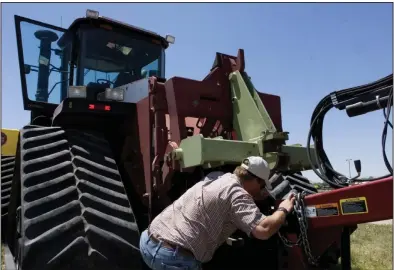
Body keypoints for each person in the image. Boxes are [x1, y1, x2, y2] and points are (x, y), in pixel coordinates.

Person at [139, 156, 296, 270]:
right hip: (173, 260)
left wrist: (258, 196)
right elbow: (263, 230)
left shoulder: (217, 176)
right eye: (262, 185)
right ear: (256, 180)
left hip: (148, 241)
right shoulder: (238, 194)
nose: (262, 190)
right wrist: (284, 208)